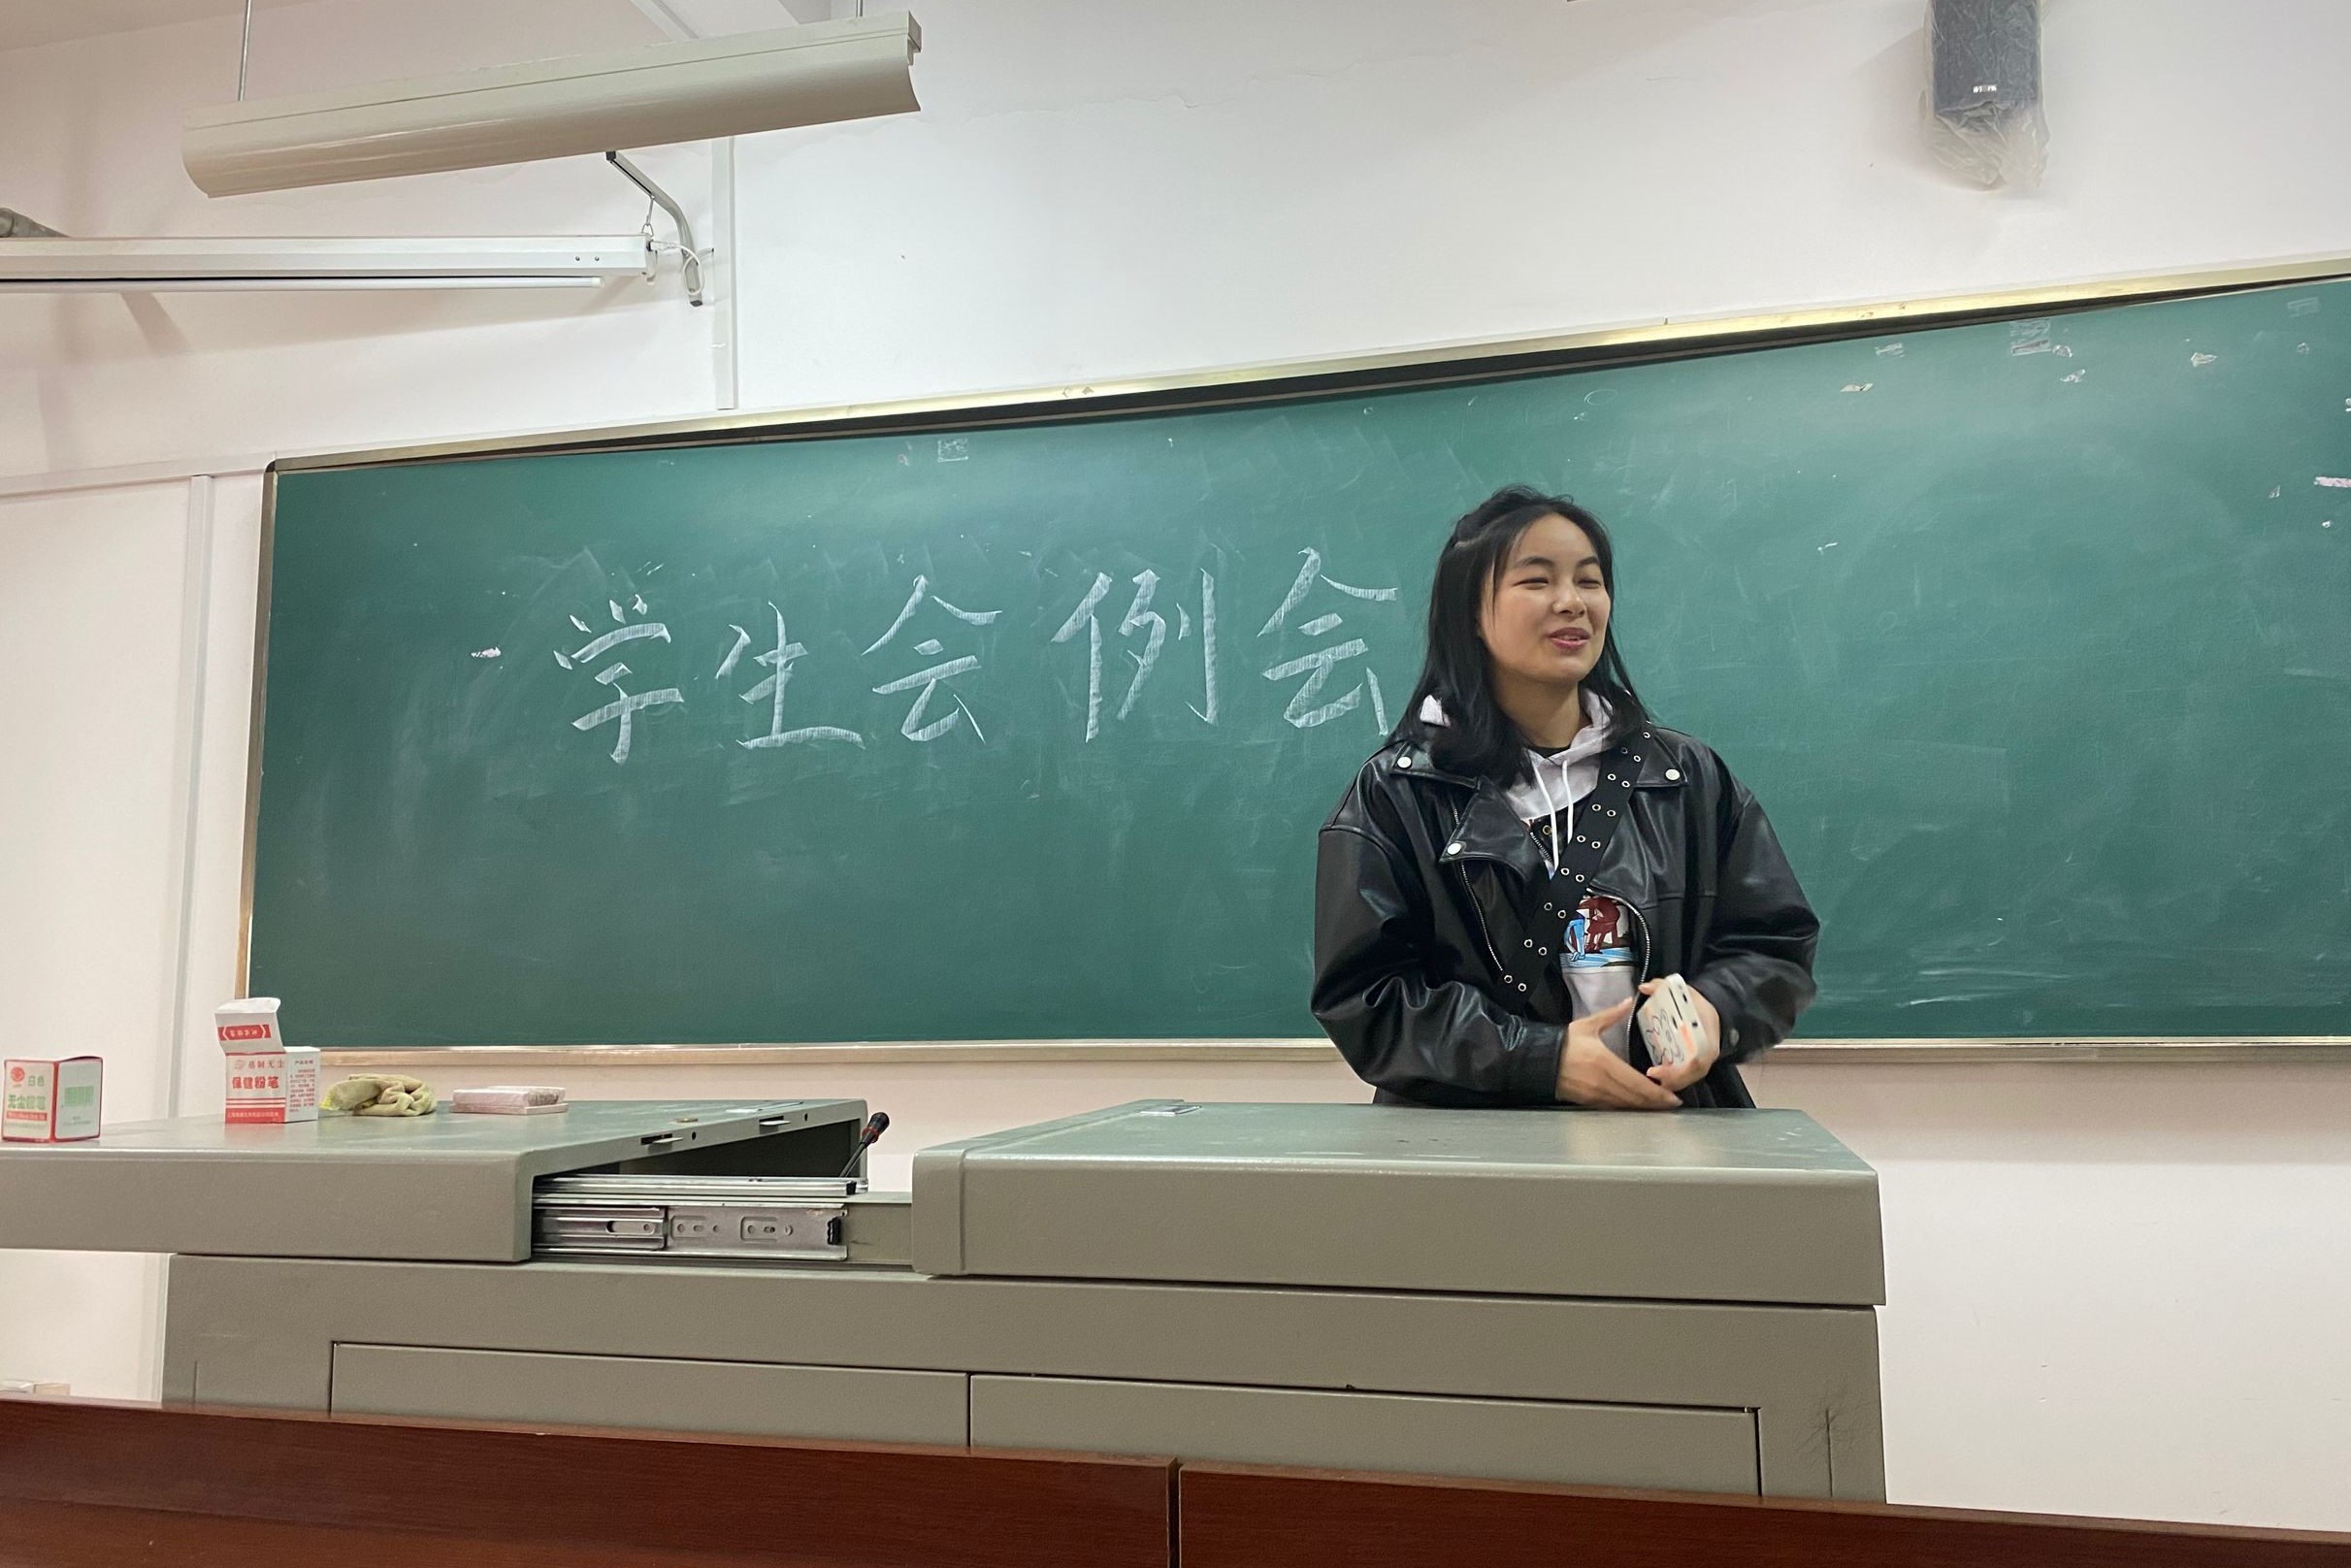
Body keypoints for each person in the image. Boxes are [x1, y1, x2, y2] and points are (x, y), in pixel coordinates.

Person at [1311, 485, 1818, 1110]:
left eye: (1589, 581)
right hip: (1476, 1145)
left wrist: (1717, 1010)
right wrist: (1539, 1060)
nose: (1572, 602)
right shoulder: (1399, 792)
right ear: (1470, 611)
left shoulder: (1684, 777)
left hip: (1668, 1131)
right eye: (1537, 580)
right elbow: (1366, 998)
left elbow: (1776, 946)